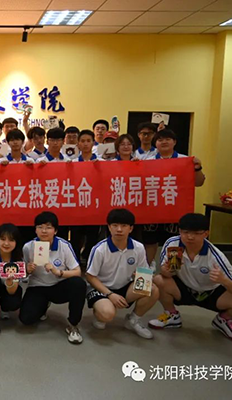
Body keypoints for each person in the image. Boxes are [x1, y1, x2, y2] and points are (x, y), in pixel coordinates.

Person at [148, 213, 232, 343]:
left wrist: (223, 280)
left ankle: (224, 320)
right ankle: (172, 315)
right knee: (158, 280)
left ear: (206, 234)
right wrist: (167, 271)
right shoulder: (173, 245)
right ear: (180, 231)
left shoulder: (215, 256)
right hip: (185, 289)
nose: (190, 237)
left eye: (196, 233)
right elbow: (166, 274)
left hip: (212, 294)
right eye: (186, 232)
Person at [85, 209, 159, 339]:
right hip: (102, 289)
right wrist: (110, 294)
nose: (119, 229)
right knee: (107, 314)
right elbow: (90, 276)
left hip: (125, 287)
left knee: (152, 289)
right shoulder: (99, 249)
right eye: (115, 225)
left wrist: (140, 276)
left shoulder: (138, 247)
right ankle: (100, 314)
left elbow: (144, 273)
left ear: (131, 228)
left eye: (124, 226)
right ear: (109, 227)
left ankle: (133, 320)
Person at [141, 128, 205, 266]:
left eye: (167, 139)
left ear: (174, 142)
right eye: (160, 140)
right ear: (155, 144)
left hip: (176, 210)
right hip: (152, 210)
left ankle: (173, 269)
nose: (164, 142)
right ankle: (145, 272)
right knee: (149, 243)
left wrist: (198, 168)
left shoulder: (185, 160)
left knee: (175, 242)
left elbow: (199, 182)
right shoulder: (147, 161)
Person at [21, 212, 86, 344]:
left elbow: (77, 271)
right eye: (40, 227)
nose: (44, 231)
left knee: (79, 284)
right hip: (38, 286)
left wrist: (58, 272)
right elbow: (22, 274)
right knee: (26, 319)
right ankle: (43, 305)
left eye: (48, 227)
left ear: (55, 230)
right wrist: (27, 270)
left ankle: (73, 324)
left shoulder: (64, 245)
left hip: (59, 286)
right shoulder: (28, 247)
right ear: (35, 230)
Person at [70, 129, 102, 266]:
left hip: (94, 206)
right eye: (82, 141)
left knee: (92, 237)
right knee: (75, 237)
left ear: (93, 143)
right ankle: (75, 264)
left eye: (88, 141)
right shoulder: (72, 162)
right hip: (77, 206)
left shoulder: (100, 161)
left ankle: (90, 264)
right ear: (78, 144)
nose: (85, 144)